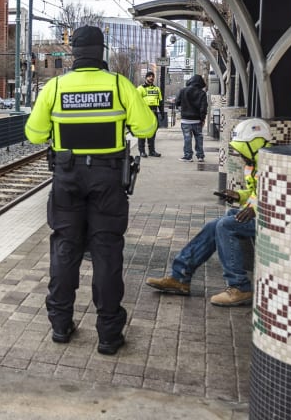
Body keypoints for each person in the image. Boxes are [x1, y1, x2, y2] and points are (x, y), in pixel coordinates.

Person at [25, 26, 157, 356]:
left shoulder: (55, 86)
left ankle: (60, 324)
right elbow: (147, 127)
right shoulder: (118, 85)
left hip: (67, 178)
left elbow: (34, 134)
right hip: (107, 178)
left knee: (65, 249)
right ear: (102, 51)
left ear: (74, 54)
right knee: (107, 251)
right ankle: (109, 335)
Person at [145, 118, 272, 307]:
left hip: (271, 219)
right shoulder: (253, 165)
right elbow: (256, 194)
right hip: (259, 213)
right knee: (214, 225)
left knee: (226, 226)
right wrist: (238, 196)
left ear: (254, 146)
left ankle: (239, 286)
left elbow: (275, 198)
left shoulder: (272, 166)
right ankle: (180, 277)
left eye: (242, 149)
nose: (239, 155)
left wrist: (254, 209)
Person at [175, 74, 208, 162]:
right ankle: (200, 156)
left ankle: (188, 156)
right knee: (199, 138)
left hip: (185, 120)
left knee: (187, 138)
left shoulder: (183, 91)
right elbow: (203, 108)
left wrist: (183, 107)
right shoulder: (202, 93)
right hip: (197, 120)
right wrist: (202, 119)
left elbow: (177, 102)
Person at [136, 71, 163, 158]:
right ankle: (142, 151)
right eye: (149, 76)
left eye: (152, 76)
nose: (151, 78)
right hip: (144, 113)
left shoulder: (157, 89)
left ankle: (152, 151)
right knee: (143, 133)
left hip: (154, 113)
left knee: (152, 133)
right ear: (146, 78)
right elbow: (136, 102)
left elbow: (160, 102)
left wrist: (162, 113)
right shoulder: (140, 88)